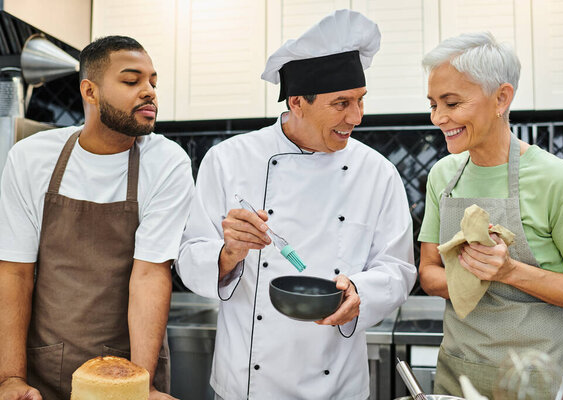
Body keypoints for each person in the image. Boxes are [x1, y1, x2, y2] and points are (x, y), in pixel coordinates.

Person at [177, 9, 416, 400]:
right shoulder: (228, 159)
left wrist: (359, 291)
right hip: (246, 386)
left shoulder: (377, 172)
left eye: (360, 100)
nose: (356, 117)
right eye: (341, 103)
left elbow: (399, 268)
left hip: (336, 383)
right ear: (297, 101)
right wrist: (228, 253)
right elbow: (188, 258)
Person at [0, 35, 194, 400]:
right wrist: (9, 377)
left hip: (132, 366)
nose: (149, 91)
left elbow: (150, 274)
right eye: (131, 80)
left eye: (153, 81)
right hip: (43, 366)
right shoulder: (30, 158)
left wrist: (144, 383)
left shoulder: (167, 163)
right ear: (90, 91)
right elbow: (14, 272)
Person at [418, 31, 563, 398]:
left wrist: (509, 271)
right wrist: (470, 271)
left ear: (502, 97)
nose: (438, 118)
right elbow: (428, 273)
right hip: (459, 372)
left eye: (451, 104)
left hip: (540, 376)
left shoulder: (559, 182)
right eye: (433, 104)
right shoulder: (443, 176)